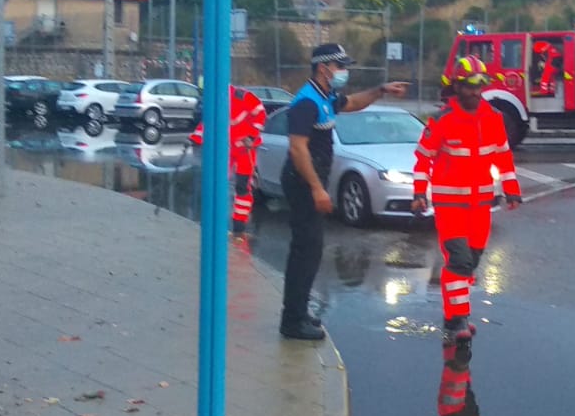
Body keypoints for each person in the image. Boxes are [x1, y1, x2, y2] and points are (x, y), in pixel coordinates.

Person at [280, 43, 409, 340]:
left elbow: (352, 103)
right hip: (302, 183)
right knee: (305, 251)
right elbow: (298, 149)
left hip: (310, 183)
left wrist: (381, 90)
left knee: (310, 251)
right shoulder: (307, 102)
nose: (344, 72)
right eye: (340, 66)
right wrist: (316, 189)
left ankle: (298, 313)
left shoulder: (325, 97)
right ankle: (292, 321)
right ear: (324, 68)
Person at [411, 55, 521, 344]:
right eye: (470, 86)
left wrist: (511, 188)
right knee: (458, 261)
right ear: (458, 86)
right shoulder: (442, 120)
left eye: (480, 85)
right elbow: (423, 159)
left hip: (480, 206)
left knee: (471, 262)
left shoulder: (493, 118)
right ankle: (456, 320)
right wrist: (419, 193)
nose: (475, 91)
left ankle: (456, 315)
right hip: (450, 207)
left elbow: (503, 156)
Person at [188, 83, 265, 236]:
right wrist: (195, 138)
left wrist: (251, 135)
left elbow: (260, 114)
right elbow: (208, 123)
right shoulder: (215, 102)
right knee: (217, 184)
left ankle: (239, 226)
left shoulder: (242, 97)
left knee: (242, 187)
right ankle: (217, 223)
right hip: (227, 149)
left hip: (245, 149)